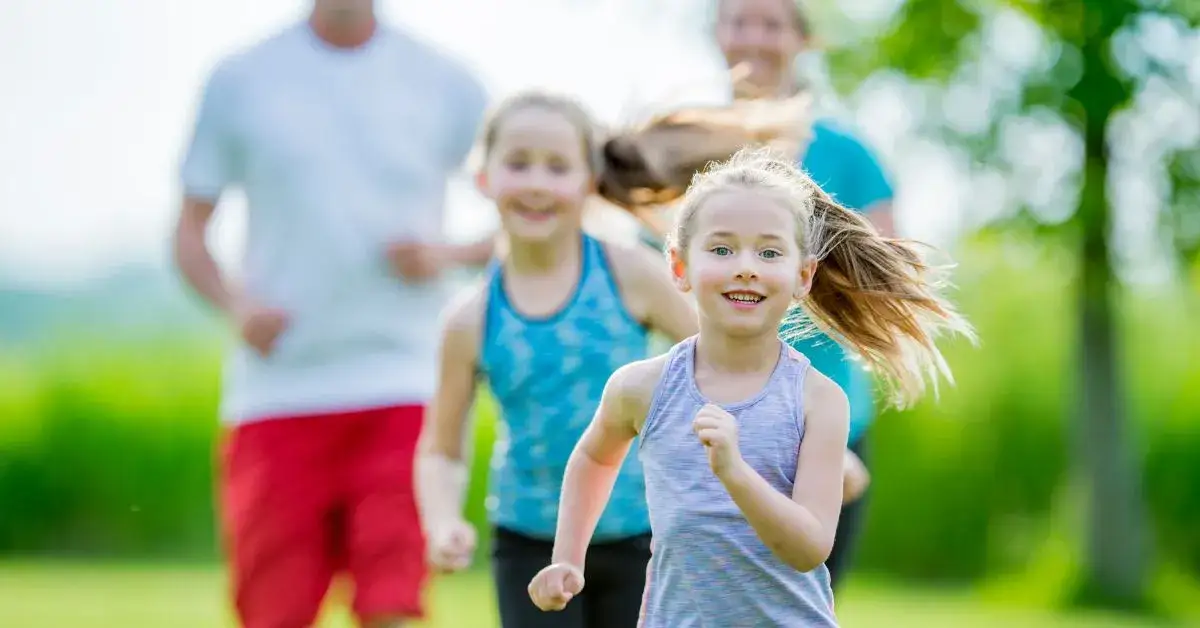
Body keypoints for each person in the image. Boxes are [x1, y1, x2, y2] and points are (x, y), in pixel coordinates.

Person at [527, 147, 974, 626]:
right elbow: (595, 457)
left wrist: (734, 471)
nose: (746, 266)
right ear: (679, 268)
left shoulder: (818, 401)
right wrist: (568, 557)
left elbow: (808, 547)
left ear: (803, 276)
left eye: (769, 252)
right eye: (721, 249)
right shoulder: (642, 387)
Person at [171, 1, 490, 626]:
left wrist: (445, 254)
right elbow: (188, 232)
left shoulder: (446, 80)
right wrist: (237, 305)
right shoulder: (241, 78)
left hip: (404, 382)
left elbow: (527, 207)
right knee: (273, 610)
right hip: (278, 388)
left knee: (392, 603)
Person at [415, 92, 699, 628]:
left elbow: (729, 361)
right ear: (484, 178)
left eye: (558, 167)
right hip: (530, 542)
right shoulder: (468, 320)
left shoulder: (630, 274)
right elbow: (441, 447)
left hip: (643, 533)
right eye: (518, 164)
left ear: (589, 180)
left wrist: (794, 441)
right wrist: (442, 520)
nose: (538, 183)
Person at [711, 0, 898, 588]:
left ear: (802, 40)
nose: (754, 38)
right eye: (740, 20)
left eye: (771, 24)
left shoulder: (847, 152)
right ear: (719, 33)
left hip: (824, 412)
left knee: (804, 604)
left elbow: (882, 278)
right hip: (710, 409)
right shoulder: (689, 145)